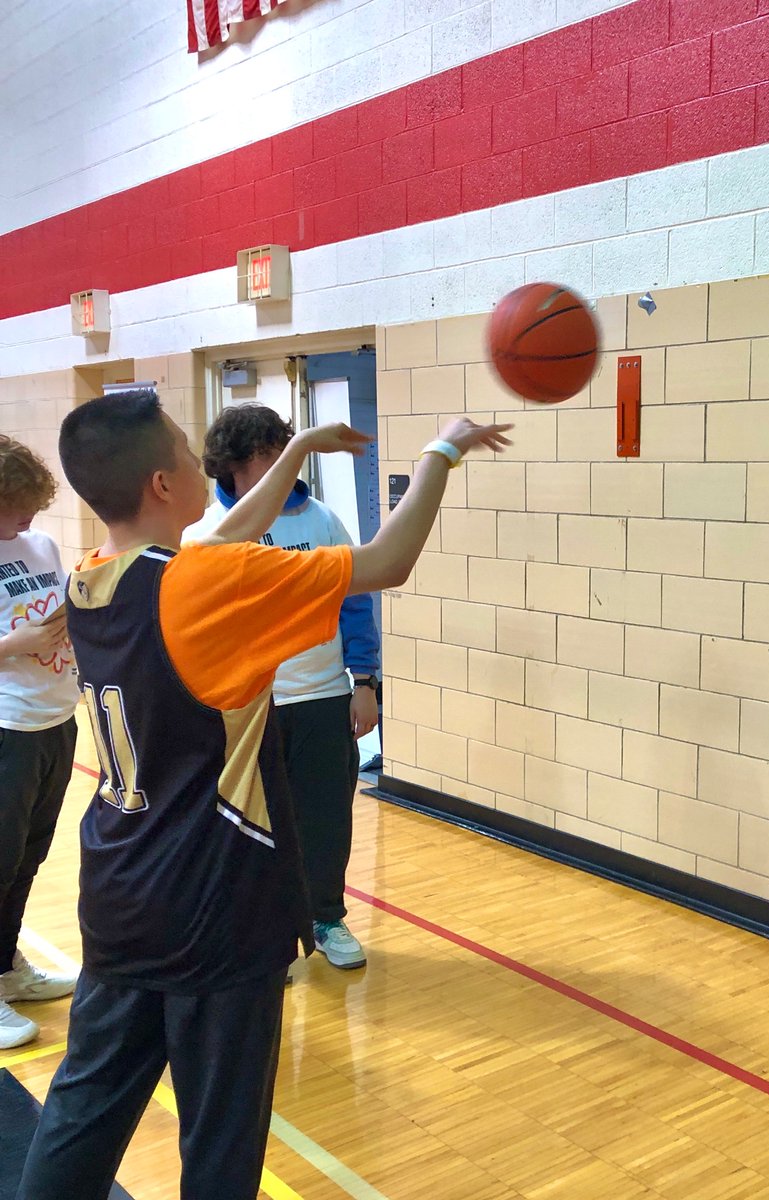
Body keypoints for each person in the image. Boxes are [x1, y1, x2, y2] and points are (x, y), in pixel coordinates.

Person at [18, 388, 510, 1200]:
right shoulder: (205, 585)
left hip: (118, 891)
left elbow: (221, 534)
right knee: (221, 1135)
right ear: (164, 484)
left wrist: (299, 449)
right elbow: (386, 562)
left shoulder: (90, 580)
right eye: (181, 442)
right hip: (215, 904)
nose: (193, 452)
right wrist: (441, 451)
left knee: (84, 1112)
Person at [186, 404, 380, 970]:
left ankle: (326, 917)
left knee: (325, 819)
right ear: (233, 465)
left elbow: (355, 601)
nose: (281, 465)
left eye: (284, 450)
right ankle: (266, 934)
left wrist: (364, 681)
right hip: (247, 706)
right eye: (267, 455)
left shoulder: (321, 519)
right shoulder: (206, 534)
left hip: (321, 696)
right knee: (253, 826)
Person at [0, 435, 80, 1050]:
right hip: (7, 726)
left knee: (29, 855)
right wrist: (16, 646)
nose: (29, 515)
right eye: (16, 504)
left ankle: (7, 968)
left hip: (57, 719)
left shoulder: (41, 545)